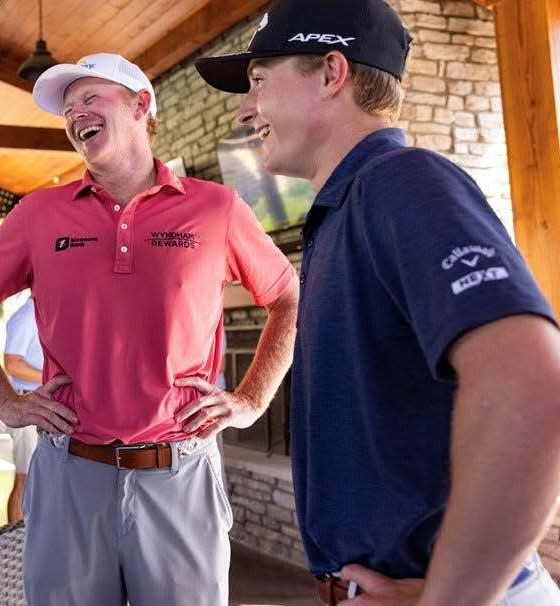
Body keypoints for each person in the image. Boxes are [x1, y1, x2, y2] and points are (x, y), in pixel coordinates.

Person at [195, 1, 560, 605]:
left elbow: (534, 383)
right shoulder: (344, 210)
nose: (244, 109)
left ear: (333, 74)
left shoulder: (400, 180)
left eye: (259, 81)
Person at [0, 52, 299, 605]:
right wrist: (4, 401)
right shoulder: (39, 215)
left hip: (181, 473)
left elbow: (287, 298)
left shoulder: (217, 209)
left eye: (90, 98)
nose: (75, 114)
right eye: (67, 108)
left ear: (140, 104)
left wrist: (252, 399)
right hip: (70, 476)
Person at [2, 294, 42, 522]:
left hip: (39, 406)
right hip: (26, 405)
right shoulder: (26, 316)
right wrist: (51, 376)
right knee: (23, 479)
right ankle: (14, 544)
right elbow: (12, 364)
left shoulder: (44, 314)